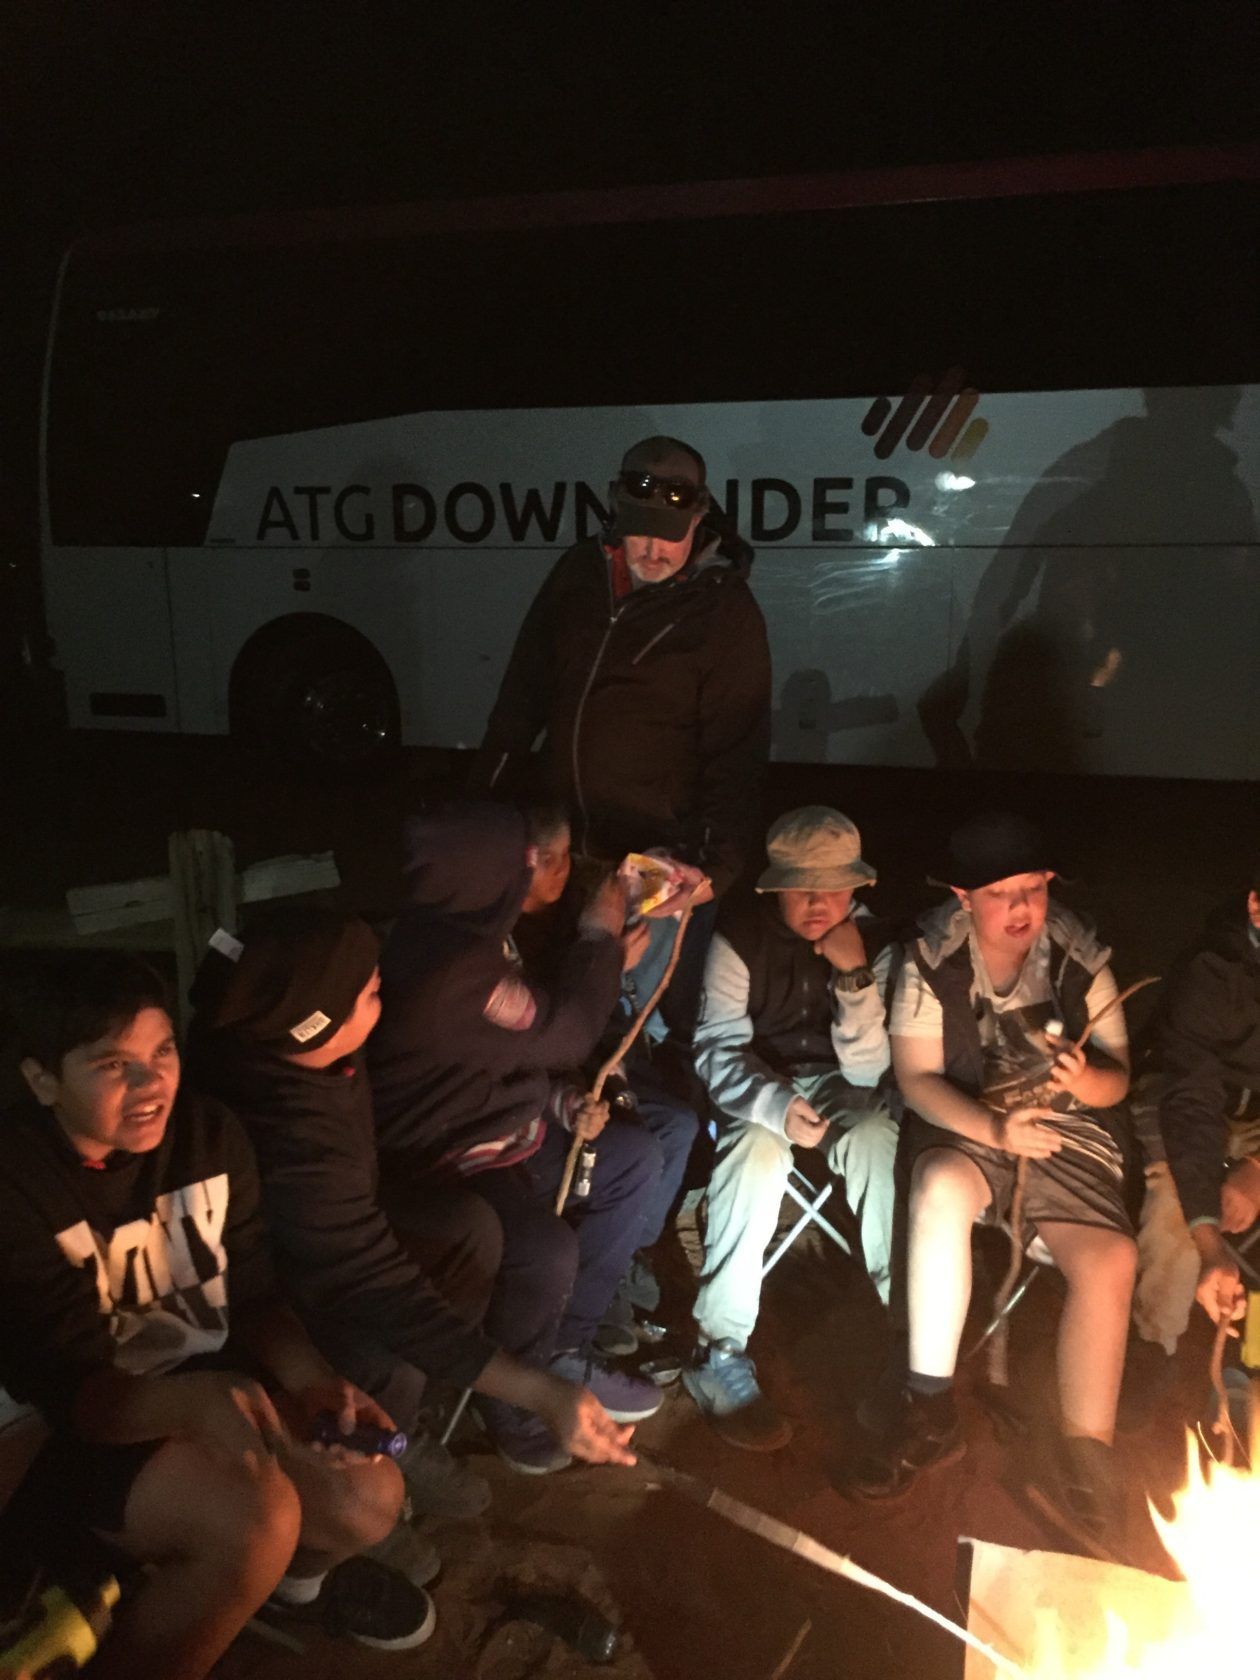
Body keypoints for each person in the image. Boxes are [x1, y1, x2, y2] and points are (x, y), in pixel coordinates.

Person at [0, 954, 433, 1680]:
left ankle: (280, 1593)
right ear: (43, 1080)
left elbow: (255, 1295)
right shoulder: (18, 1183)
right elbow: (73, 1395)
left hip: (200, 1380)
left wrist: (314, 1382)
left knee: (369, 1496)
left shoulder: (208, 1135)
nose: (151, 1084)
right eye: (112, 1065)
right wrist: (201, 1407)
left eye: (162, 1051)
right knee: (259, 1518)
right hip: (74, 1426)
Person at [184, 906, 636, 1529]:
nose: (384, 991)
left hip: (339, 1232)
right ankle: (365, 1474)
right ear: (317, 1026)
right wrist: (539, 1390)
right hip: (271, 1293)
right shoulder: (291, 1136)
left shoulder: (305, 1049)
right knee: (388, 1339)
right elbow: (369, 1277)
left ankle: (410, 1410)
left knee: (468, 1226)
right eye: (369, 991)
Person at [854, 813, 1136, 1546]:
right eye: (1002, 893)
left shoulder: (1074, 952)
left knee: (1112, 1261)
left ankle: (1087, 1457)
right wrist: (997, 1132)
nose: (1022, 910)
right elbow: (917, 1080)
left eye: (1033, 890)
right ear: (963, 895)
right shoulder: (929, 955)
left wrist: (1088, 1079)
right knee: (940, 1187)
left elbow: (1119, 1078)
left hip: (1066, 1129)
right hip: (971, 1117)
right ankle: (929, 1409)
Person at [367, 802, 664, 1472]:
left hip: (506, 1127)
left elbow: (511, 1055)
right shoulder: (449, 968)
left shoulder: (472, 939)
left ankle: (565, 1348)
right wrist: (600, 939)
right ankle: (519, 1408)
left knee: (630, 1158)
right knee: (544, 1250)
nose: (532, 874)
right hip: (445, 1158)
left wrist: (559, 1102)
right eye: (522, 863)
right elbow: (560, 1031)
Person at [472, 434, 772, 1038]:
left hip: (654, 863)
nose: (652, 548)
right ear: (615, 511)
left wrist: (715, 867)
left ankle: (663, 1118)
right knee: (558, 1007)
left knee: (648, 1025)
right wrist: (485, 802)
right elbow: (522, 693)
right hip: (563, 853)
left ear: (699, 517)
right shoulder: (579, 572)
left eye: (668, 533)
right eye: (639, 530)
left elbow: (738, 753)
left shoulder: (724, 610)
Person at [684, 808, 900, 1450]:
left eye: (836, 888)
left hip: (843, 1084)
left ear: (858, 889)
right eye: (802, 887)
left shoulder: (876, 943)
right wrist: (773, 1106)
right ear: (775, 887)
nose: (819, 903)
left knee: (873, 1137)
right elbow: (716, 1048)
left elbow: (870, 1069)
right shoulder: (739, 939)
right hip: (761, 1083)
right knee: (751, 1152)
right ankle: (718, 1349)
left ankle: (911, 1335)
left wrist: (856, 978)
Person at [513, 803, 700, 1341]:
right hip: (549, 1079)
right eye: (555, 860)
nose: (566, 869)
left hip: (593, 1059)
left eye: (568, 856)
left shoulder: (572, 904)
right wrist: (606, 961)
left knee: (679, 1124)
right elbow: (555, 1031)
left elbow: (647, 890)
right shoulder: (504, 932)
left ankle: (619, 1263)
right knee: (635, 1141)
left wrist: (653, 881)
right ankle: (579, 1316)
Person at [1142, 871, 1260, 1336]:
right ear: (1255, 907)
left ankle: (1250, 1366)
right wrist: (1208, 1238)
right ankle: (1159, 1350)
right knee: (1175, 1205)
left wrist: (1257, 1166)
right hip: (1185, 1100)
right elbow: (1190, 1095)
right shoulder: (1213, 970)